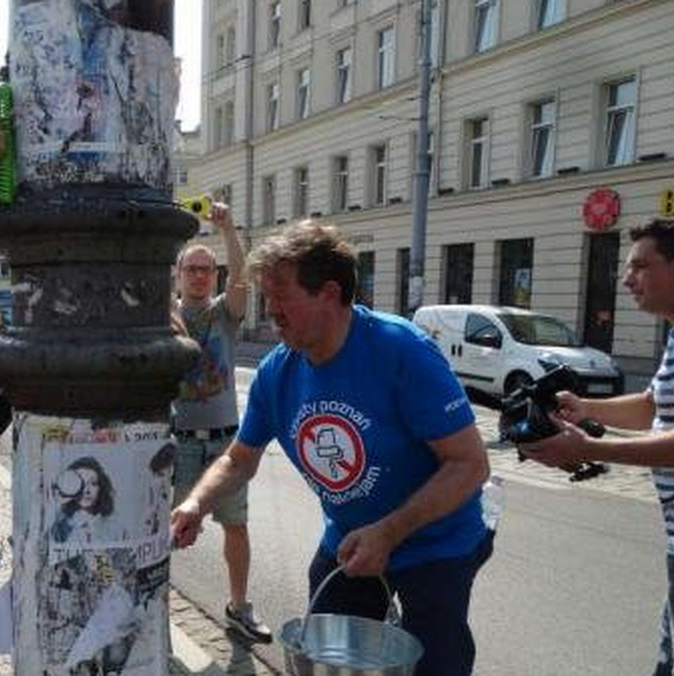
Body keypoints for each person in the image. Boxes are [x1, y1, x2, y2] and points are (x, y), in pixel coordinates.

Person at [171, 220, 492, 676]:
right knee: (325, 658)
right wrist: (196, 503)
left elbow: (469, 465)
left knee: (436, 662)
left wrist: (389, 531)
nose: (271, 310)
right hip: (350, 542)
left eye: (282, 296)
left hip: (435, 541)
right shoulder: (277, 373)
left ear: (329, 293)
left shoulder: (401, 351)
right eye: (266, 296)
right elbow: (239, 459)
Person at [520, 216, 674, 676]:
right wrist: (585, 407)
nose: (626, 279)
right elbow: (652, 406)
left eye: (640, 267)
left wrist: (588, 448)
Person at [171, 202, 271, 642]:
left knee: (236, 524)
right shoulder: (167, 313)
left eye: (206, 269)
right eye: (191, 269)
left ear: (215, 276)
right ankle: (155, 605)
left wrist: (228, 227)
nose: (198, 276)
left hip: (226, 444)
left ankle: (238, 606)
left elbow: (244, 277)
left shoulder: (224, 315)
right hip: (179, 441)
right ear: (178, 274)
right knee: (165, 526)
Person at [51, 456, 117, 544]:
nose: (86, 490)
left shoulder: (114, 527)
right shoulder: (61, 525)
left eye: (93, 483)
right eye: (81, 484)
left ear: (101, 487)